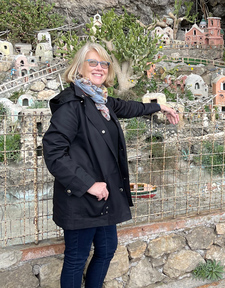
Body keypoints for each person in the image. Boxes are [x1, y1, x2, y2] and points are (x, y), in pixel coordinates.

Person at [42, 42, 179, 288]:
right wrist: (88, 185)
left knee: (106, 250)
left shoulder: (102, 102)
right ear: (79, 68)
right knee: (76, 258)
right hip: (82, 197)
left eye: (103, 63)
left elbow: (130, 107)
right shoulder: (71, 105)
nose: (99, 68)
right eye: (92, 62)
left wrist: (160, 106)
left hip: (105, 197)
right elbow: (53, 153)